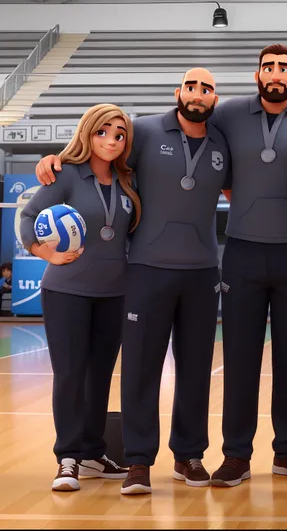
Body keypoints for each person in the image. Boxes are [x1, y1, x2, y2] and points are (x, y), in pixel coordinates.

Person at [35, 69, 232, 495]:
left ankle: (189, 455)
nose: (198, 94)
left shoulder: (223, 139)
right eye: (191, 86)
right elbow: (96, 148)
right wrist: (55, 159)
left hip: (201, 271)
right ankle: (138, 461)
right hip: (145, 269)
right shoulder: (140, 131)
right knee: (140, 370)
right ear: (177, 92)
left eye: (207, 88)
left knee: (195, 370)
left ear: (216, 98)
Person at [209, 44, 287, 487]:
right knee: (239, 358)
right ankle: (236, 454)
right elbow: (217, 172)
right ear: (257, 73)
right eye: (268, 67)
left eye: (284, 67)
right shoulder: (227, 115)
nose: (276, 73)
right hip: (241, 251)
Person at [20, 104, 141, 491]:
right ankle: (68, 457)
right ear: (88, 133)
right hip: (66, 292)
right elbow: (27, 217)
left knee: (100, 375)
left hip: (114, 294)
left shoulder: (127, 181)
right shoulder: (66, 174)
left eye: (119, 134)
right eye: (103, 131)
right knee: (71, 374)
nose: (111, 140)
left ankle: (92, 452)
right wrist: (47, 253)